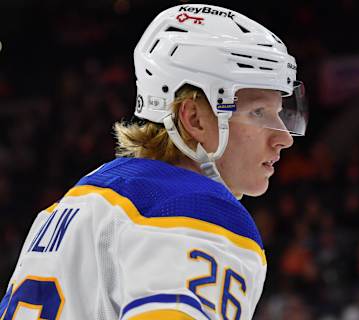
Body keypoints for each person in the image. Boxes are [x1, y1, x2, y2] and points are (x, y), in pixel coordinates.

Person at [0, 4, 307, 320]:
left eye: (280, 113)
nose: (283, 137)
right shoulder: (196, 208)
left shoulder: (77, 200)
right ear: (194, 118)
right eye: (259, 112)